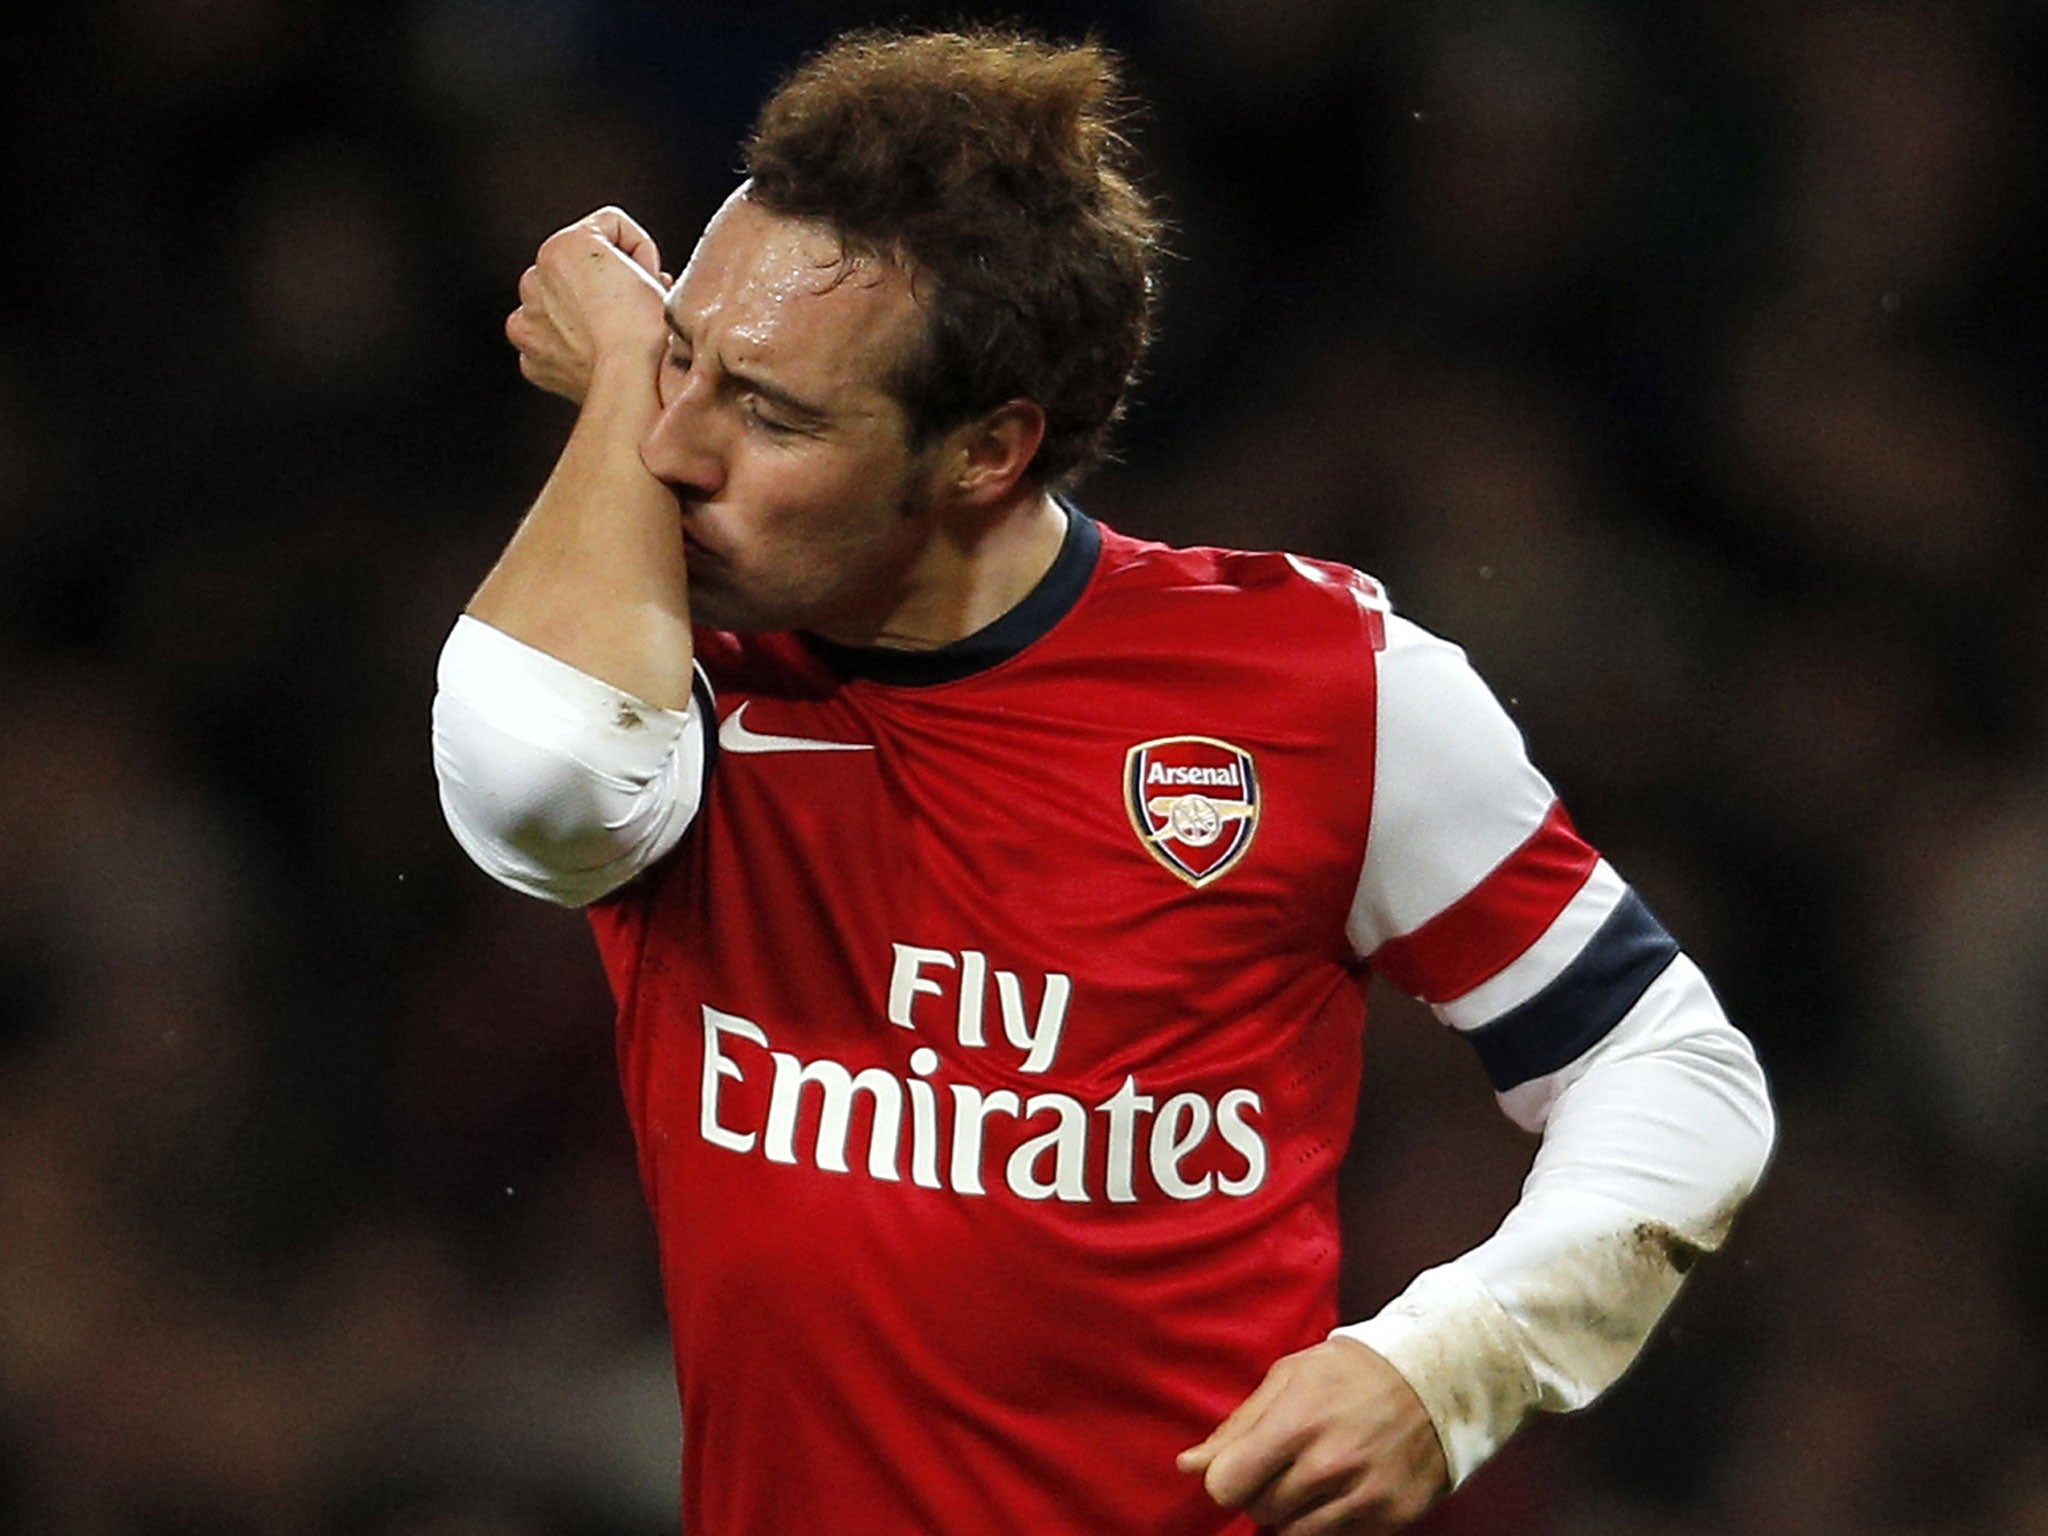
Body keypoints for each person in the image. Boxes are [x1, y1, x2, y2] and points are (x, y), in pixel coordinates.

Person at [431, 27, 1774, 1536]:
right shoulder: (675, 668)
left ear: (988, 450)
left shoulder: (1318, 688)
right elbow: (534, 793)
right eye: (686, 360)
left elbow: (1673, 1072)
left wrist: (1452, 1360)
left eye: (776, 415)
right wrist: (623, 373)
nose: (672, 453)